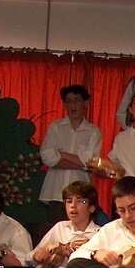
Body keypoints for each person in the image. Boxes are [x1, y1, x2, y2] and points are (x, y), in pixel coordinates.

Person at [39, 84, 102, 224]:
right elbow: (48, 157)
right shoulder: (56, 127)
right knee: (55, 236)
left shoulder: (93, 131)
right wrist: (81, 164)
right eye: (68, 101)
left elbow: (91, 162)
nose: (72, 105)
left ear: (85, 103)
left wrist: (62, 154)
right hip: (56, 192)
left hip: (82, 194)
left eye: (77, 100)